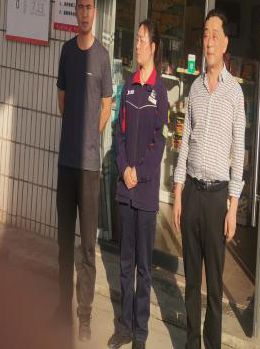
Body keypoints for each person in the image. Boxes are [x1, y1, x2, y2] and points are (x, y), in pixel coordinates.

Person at [173, 9, 245, 349]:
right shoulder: (195, 89)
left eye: (215, 35)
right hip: (192, 193)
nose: (209, 41)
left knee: (214, 287)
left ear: (225, 43)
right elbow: (185, 143)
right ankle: (192, 343)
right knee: (191, 282)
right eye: (205, 34)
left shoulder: (235, 94)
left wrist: (233, 207)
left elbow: (239, 151)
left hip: (217, 198)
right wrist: (177, 192)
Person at [56, 0, 113, 342]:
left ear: (95, 10)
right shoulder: (66, 52)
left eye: (89, 7)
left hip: (90, 168)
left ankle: (85, 315)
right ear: (74, 10)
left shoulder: (102, 57)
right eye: (79, 7)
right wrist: (76, 133)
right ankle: (62, 310)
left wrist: (90, 135)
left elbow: (107, 106)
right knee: (64, 244)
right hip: (66, 165)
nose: (84, 12)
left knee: (88, 248)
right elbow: (61, 100)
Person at [107, 20, 168, 349]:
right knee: (125, 263)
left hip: (144, 193)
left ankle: (141, 334)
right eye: (137, 39)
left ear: (153, 47)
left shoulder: (159, 92)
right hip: (125, 191)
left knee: (144, 268)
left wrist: (138, 172)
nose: (137, 45)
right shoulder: (129, 86)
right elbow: (119, 133)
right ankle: (125, 326)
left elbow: (159, 143)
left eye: (143, 40)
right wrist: (123, 168)